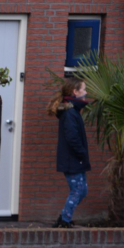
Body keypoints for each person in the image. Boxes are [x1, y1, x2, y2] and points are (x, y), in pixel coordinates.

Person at [47, 77, 91, 228]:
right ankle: (65, 220)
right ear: (75, 91)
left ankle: (64, 216)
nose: (86, 92)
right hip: (72, 159)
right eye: (83, 89)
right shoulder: (70, 113)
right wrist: (82, 153)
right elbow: (72, 138)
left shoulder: (73, 110)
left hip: (76, 159)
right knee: (77, 190)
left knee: (82, 191)